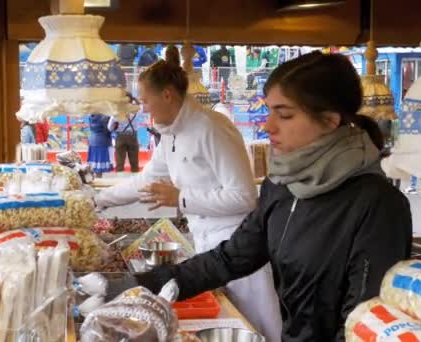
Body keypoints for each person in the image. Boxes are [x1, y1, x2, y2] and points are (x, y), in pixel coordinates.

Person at [132, 52, 413, 342]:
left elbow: (365, 323)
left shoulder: (378, 205)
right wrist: (144, 286)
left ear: (330, 120)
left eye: (285, 114)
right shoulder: (282, 185)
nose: (268, 126)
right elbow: (232, 257)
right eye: (269, 111)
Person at [95, 60, 283, 341]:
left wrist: (181, 199)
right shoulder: (170, 133)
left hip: (240, 251)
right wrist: (98, 200)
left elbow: (244, 198)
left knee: (255, 331)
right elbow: (144, 182)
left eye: (146, 100)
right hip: (207, 248)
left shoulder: (211, 127)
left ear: (167, 95)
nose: (142, 108)